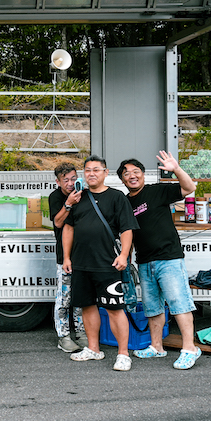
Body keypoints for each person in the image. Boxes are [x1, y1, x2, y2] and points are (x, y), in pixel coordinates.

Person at [118, 152, 203, 371]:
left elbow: (189, 188)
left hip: (169, 258)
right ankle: (156, 346)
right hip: (144, 261)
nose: (132, 176)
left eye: (136, 171)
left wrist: (176, 169)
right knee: (152, 307)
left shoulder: (157, 191)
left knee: (179, 303)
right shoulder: (125, 203)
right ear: (122, 180)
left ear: (143, 174)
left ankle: (190, 349)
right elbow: (128, 232)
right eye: (127, 174)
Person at [61, 155, 138, 372]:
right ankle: (93, 349)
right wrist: (67, 257)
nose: (91, 173)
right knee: (87, 307)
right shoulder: (78, 197)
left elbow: (127, 229)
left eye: (96, 169)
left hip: (108, 264)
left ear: (105, 173)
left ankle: (123, 354)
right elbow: (68, 228)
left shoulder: (117, 197)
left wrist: (124, 255)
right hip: (81, 264)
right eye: (88, 170)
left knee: (115, 309)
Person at [49, 163, 84, 353]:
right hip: (65, 256)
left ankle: (82, 333)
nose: (71, 183)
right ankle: (63, 336)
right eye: (66, 180)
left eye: (73, 178)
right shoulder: (55, 197)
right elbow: (58, 222)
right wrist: (69, 203)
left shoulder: (84, 193)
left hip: (84, 254)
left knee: (82, 297)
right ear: (58, 182)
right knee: (64, 298)